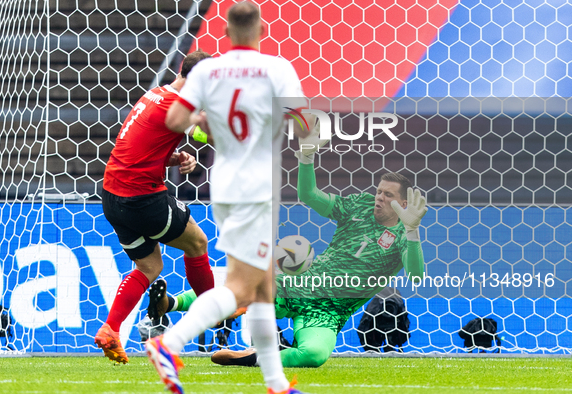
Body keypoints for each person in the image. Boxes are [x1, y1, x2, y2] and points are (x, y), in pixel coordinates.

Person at [144, 2, 310, 394]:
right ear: (262, 30)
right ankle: (169, 344)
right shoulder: (276, 69)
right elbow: (304, 123)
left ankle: (276, 383)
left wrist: (208, 123)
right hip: (256, 188)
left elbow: (175, 122)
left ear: (225, 34)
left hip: (224, 184)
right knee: (242, 286)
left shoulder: (207, 71)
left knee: (263, 286)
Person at [151, 135, 427, 368]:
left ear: (404, 203)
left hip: (329, 313)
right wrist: (306, 160)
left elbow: (416, 276)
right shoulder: (360, 206)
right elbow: (309, 195)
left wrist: (413, 232)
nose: (379, 197)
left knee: (315, 355)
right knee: (241, 293)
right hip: (302, 283)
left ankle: (254, 357)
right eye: (379, 191)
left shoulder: (405, 236)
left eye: (388, 195)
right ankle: (170, 304)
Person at [95, 50, 215, 365]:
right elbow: (209, 134)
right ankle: (212, 309)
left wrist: (174, 157)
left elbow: (142, 142)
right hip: (141, 198)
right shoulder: (178, 106)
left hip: (112, 196)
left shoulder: (155, 95)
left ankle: (111, 328)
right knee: (197, 243)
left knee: (149, 268)